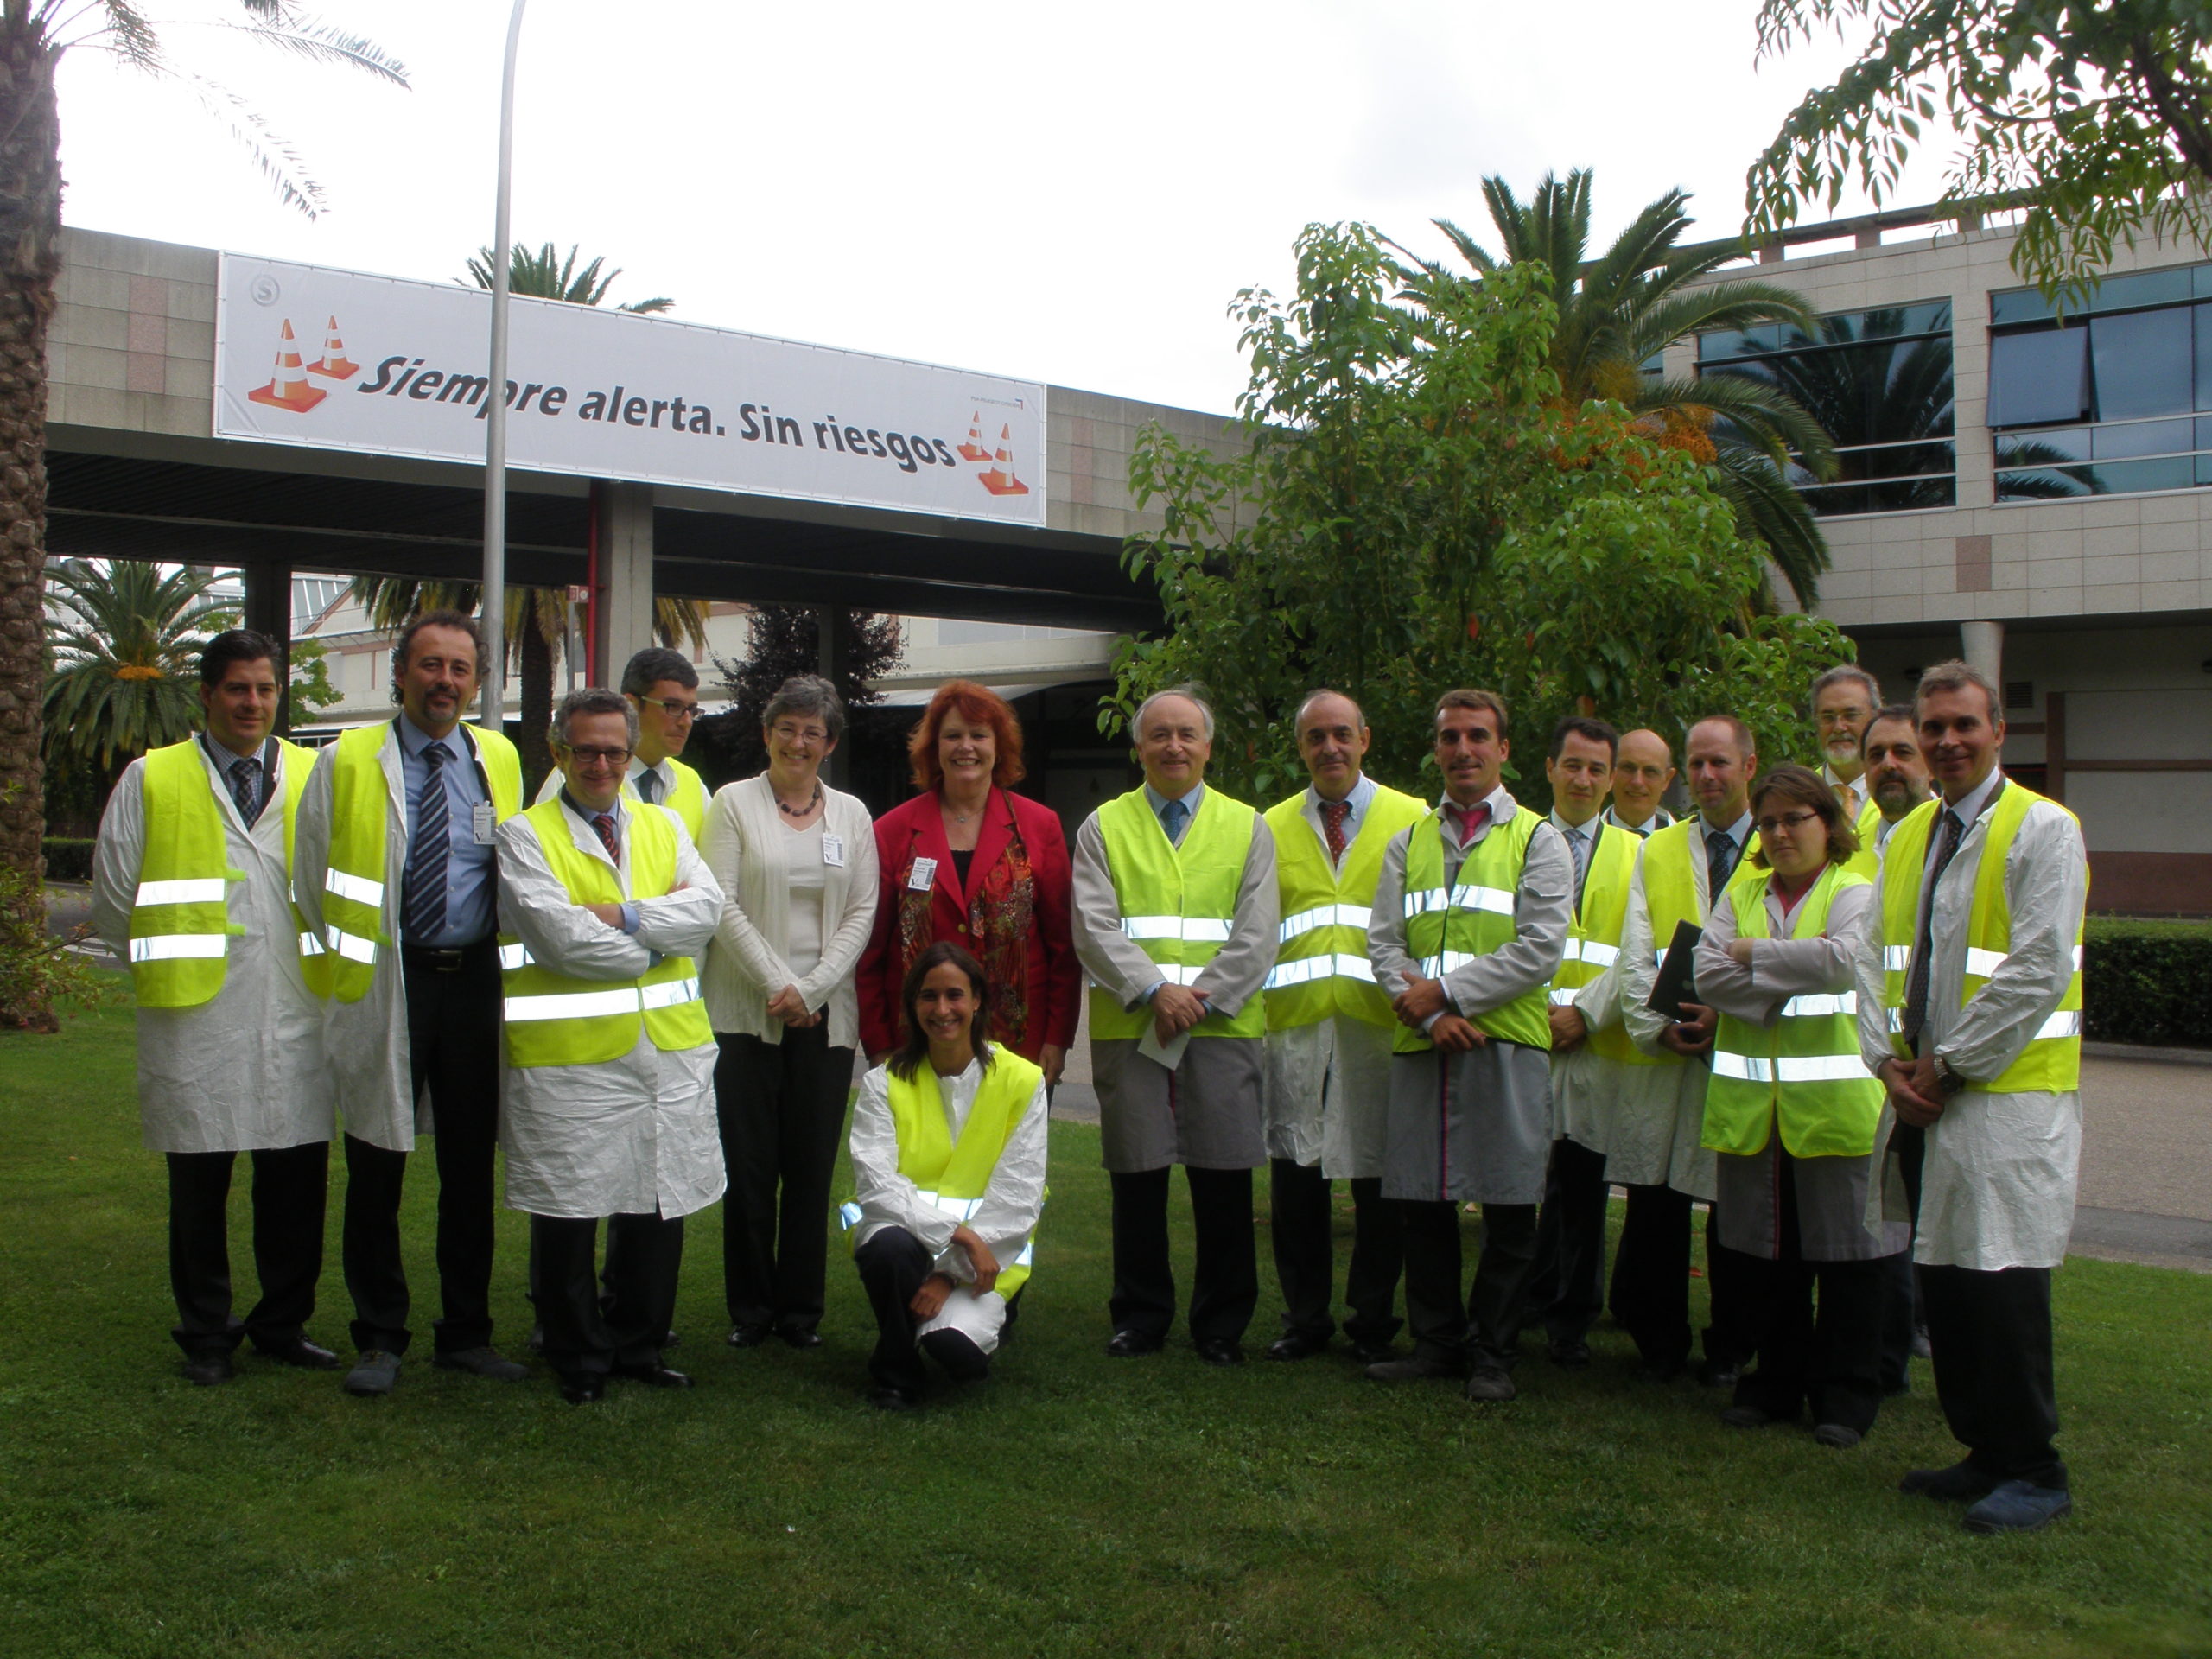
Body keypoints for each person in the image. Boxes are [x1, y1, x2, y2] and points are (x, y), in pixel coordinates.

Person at [1858, 659, 2088, 1535]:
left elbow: (2034, 970)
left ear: (1998, 732)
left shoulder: (2044, 831)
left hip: (2001, 1101)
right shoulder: (1910, 834)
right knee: (1944, 1278)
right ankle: (1982, 1451)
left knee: (2003, 1283)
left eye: (1964, 725)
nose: (1947, 740)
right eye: (1934, 727)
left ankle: (2035, 1465)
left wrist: (1945, 1068)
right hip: (1919, 1097)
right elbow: (1868, 961)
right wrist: (1886, 1064)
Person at [90, 630, 336, 1385]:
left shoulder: (313, 772)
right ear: (207, 695)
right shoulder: (153, 777)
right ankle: (205, 1332)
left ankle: (282, 1325)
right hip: (194, 1013)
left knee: (296, 1179)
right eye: (238, 689)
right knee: (200, 1181)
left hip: (300, 1005)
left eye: (264, 689)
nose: (253, 703)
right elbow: (111, 900)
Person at [294, 610, 527, 1397]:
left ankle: (465, 1332)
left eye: (460, 669)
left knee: (468, 1165)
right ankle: (379, 1335)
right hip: (389, 981)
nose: (445, 682)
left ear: (478, 681)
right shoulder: (348, 757)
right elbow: (310, 875)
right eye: (431, 665)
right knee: (376, 1160)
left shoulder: (497, 757)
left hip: (473, 985)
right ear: (400, 673)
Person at [496, 690, 725, 1403]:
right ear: (558, 752)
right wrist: (652, 944)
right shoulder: (524, 835)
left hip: (667, 1050)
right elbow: (558, 939)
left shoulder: (661, 825)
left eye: (614, 751)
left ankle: (639, 1344)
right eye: (585, 750)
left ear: (631, 753)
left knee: (657, 1206)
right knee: (569, 1209)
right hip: (571, 1058)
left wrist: (623, 915)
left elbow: (709, 910)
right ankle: (578, 1355)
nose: (601, 764)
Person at [1365, 690, 1569, 1402]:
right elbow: (1383, 945)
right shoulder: (1409, 841)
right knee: (1423, 1203)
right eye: (1449, 737)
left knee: (1511, 1202)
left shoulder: (1539, 839)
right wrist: (1427, 1017)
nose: (1462, 750)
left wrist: (1447, 994)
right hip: (1426, 1045)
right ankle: (1437, 1345)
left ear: (1504, 750)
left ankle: (1495, 1353)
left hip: (1504, 1042)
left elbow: (1540, 949)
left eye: (1477, 736)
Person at [1694, 766, 1904, 1449]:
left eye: (1795, 819)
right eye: (1769, 822)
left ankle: (1845, 1396)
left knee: (1849, 1261)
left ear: (1828, 824)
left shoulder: (1855, 889)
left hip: (1837, 1107)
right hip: (1757, 1112)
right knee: (1769, 1258)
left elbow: (1845, 961)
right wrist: (1777, 981)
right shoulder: (1744, 889)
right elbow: (1702, 970)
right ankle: (1774, 1384)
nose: (1781, 833)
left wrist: (1752, 956)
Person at [1071, 686, 1277, 1364]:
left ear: (1208, 746)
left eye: (1187, 734)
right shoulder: (1103, 827)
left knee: (1223, 1181)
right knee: (1138, 1177)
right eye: (1159, 735)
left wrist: (1199, 998)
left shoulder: (1249, 827)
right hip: (1134, 1027)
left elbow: (1258, 933)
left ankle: (1220, 1325)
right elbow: (1093, 928)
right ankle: (1140, 1317)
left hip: (1221, 1028)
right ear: (1139, 749)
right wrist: (1156, 990)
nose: (1173, 746)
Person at [700, 674, 879, 1350]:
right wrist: (781, 984)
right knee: (749, 1172)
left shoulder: (853, 816)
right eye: (787, 728)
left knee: (809, 1172)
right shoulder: (732, 804)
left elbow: (862, 910)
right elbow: (719, 902)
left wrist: (814, 990)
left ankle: (801, 1313)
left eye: (813, 732)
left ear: (828, 744)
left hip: (826, 1021)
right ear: (767, 733)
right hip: (745, 1014)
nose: (798, 742)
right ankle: (751, 1311)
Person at [1256, 690, 1426, 1363]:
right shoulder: (1268, 827)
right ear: (1300, 748)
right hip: (1296, 1026)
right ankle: (1305, 1319)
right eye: (1315, 737)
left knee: (1379, 1181)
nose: (1330, 748)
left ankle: (1372, 1321)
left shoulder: (1413, 819)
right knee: (1296, 1179)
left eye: (1342, 735)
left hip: (1379, 1026)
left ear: (1365, 738)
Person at [1615, 715, 1762, 1386]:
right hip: (1669, 1052)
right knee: (1656, 1202)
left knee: (1734, 1207)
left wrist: (1726, 1018)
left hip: (1743, 1054)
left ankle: (1733, 1344)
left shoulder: (1779, 840)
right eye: (1697, 764)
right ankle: (1658, 1341)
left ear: (1749, 766)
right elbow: (1635, 950)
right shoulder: (1660, 849)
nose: (1707, 776)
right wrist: (1659, 1026)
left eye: (1720, 763)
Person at [844, 942, 1048, 1409]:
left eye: (954, 995)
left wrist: (947, 1275)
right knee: (887, 1249)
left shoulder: (1023, 1080)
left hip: (989, 1254)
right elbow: (877, 1185)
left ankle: (973, 1315)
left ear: (977, 1000)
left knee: (959, 1357)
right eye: (927, 997)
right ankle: (896, 1370)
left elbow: (1016, 1199)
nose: (942, 1010)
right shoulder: (884, 1081)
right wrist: (956, 1234)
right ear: (912, 1005)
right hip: (909, 1240)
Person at [857, 679, 1078, 1084]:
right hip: (915, 1046)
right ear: (934, 747)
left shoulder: (1039, 826)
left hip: (1020, 1048)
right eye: (953, 736)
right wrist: (878, 1045)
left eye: (979, 735)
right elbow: (871, 952)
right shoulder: (891, 831)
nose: (966, 747)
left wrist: (1058, 1038)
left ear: (999, 745)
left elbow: (1063, 946)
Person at [1524, 716, 1645, 1369]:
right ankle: (1520, 1301)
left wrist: (1584, 1016)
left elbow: (1637, 954)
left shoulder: (1639, 854)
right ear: (1549, 768)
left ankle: (1573, 1316)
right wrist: (1537, 1013)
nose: (1584, 779)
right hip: (1526, 1033)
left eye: (1598, 769)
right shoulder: (1518, 841)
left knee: (1585, 1187)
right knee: (1522, 1182)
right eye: (1572, 765)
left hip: (1596, 1042)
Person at [1859, 702, 1936, 1390]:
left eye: (1902, 752)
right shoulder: (1857, 838)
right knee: (1884, 1230)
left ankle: (1912, 1349)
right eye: (1877, 752)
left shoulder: (1939, 837)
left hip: (1940, 1071)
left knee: (1927, 1235)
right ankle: (1887, 1357)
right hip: (1876, 1067)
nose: (1889, 764)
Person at [531, 646, 710, 839]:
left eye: (691, 710)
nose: (686, 722)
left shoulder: (692, 783)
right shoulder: (571, 777)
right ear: (630, 705)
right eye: (673, 707)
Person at [1810, 664, 1886, 867]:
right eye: (1827, 717)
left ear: (1876, 717)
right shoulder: (1797, 796)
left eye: (1851, 716)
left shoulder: (1904, 794)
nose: (1838, 727)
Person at [1605, 729, 1678, 836]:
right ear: (1611, 772)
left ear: (1667, 779)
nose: (1637, 782)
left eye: (1650, 772)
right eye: (1628, 768)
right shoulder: (1580, 843)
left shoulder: (1688, 845)